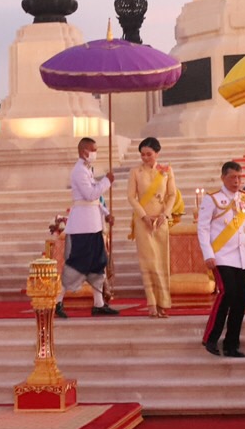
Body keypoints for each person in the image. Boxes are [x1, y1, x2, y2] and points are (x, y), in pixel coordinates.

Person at [199, 160, 245, 358]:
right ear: (223, 177)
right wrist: (208, 254)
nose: (236, 181)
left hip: (241, 256)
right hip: (221, 255)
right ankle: (211, 337)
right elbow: (203, 228)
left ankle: (232, 343)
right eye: (232, 177)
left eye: (238, 177)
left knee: (242, 299)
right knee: (227, 293)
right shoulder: (213, 199)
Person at [59, 137, 119, 318]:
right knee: (77, 265)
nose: (95, 153)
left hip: (93, 224)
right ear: (84, 151)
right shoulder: (79, 171)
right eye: (93, 150)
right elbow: (89, 194)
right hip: (82, 226)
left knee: (98, 264)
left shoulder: (87, 170)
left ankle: (99, 303)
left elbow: (95, 199)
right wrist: (107, 181)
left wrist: (105, 212)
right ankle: (56, 301)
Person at [127, 136, 177, 318]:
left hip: (161, 222)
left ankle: (163, 303)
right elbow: (131, 197)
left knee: (162, 262)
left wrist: (165, 214)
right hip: (143, 222)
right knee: (148, 262)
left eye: (149, 154)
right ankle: (151, 303)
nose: (145, 158)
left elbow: (172, 195)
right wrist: (143, 216)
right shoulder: (135, 172)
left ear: (157, 154)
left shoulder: (166, 171)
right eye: (143, 155)